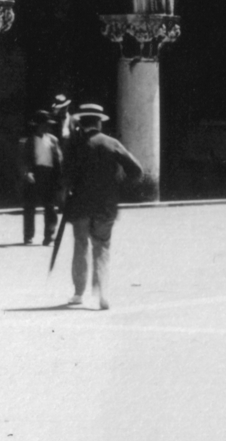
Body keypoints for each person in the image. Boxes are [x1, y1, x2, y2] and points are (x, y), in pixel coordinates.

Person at [62, 103, 142, 311]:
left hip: (80, 205)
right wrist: (118, 187)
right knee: (102, 247)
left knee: (80, 246)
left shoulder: (74, 145)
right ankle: (103, 294)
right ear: (99, 122)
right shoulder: (111, 143)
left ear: (82, 122)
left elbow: (64, 177)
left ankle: (78, 293)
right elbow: (136, 170)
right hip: (106, 205)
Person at [17, 111, 63, 245]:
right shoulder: (27, 141)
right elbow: (21, 160)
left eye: (48, 125)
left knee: (50, 206)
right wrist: (27, 173)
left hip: (49, 175)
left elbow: (59, 159)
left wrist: (59, 176)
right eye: (44, 125)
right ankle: (28, 236)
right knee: (30, 206)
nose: (47, 128)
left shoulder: (53, 140)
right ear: (37, 125)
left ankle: (49, 235)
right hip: (34, 173)